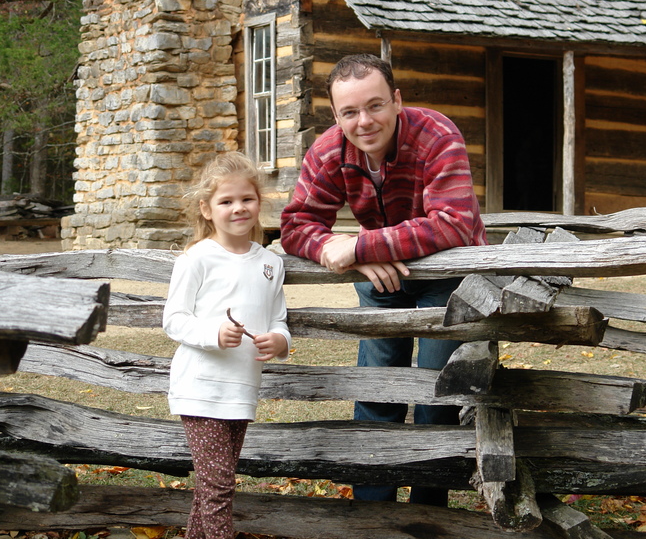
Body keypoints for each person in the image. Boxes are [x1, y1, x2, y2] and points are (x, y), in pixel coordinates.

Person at [280, 53, 486, 507]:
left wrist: (359, 247)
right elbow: (296, 225)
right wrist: (349, 258)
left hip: (446, 277)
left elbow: (452, 224)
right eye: (349, 111)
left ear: (396, 99)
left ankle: (429, 512)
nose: (364, 121)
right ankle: (371, 510)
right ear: (335, 115)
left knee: (437, 392)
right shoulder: (329, 151)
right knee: (376, 385)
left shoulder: (436, 134)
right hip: (380, 279)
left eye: (374, 105)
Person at [163, 151, 290, 539]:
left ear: (259, 203)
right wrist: (214, 333)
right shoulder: (197, 260)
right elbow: (174, 319)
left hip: (241, 390)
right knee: (219, 488)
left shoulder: (270, 263)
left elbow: (278, 319)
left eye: (247, 199)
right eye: (226, 201)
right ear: (206, 208)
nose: (239, 208)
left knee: (210, 488)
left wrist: (280, 341)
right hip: (201, 388)